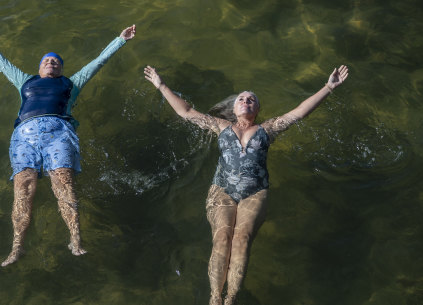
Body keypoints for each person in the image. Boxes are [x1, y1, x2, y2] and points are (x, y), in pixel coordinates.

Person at [144, 65, 348, 305]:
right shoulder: (220, 126)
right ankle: (214, 298)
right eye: (241, 98)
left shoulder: (268, 129)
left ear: (257, 109)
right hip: (222, 190)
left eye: (252, 99)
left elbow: (300, 112)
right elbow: (187, 112)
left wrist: (328, 87)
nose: (246, 101)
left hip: (256, 192)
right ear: (234, 108)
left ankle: (231, 298)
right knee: (221, 239)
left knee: (241, 240)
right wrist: (161, 85)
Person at [0, 24, 136, 267]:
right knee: (23, 186)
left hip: (59, 133)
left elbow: (97, 62)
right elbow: (2, 62)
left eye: (56, 61)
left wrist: (120, 40)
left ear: (62, 68)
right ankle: (17, 247)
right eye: (47, 60)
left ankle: (75, 239)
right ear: (39, 67)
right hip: (24, 136)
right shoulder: (25, 81)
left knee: (63, 181)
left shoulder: (71, 83)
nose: (51, 62)